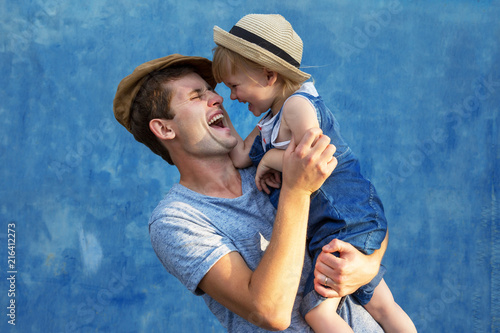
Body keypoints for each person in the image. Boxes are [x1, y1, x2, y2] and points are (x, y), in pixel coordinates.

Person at [113, 54, 387, 332]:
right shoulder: (176, 220)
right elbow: (270, 311)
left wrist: (369, 264)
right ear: (164, 128)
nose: (218, 99)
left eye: (213, 91)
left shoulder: (270, 159)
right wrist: (296, 188)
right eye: (197, 96)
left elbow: (358, 206)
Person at [212, 14, 416, 333]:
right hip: (333, 228)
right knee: (382, 305)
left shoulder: (297, 105)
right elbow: (239, 156)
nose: (233, 96)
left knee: (319, 314)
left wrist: (270, 160)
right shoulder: (267, 123)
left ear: (269, 76)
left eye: (234, 86)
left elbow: (315, 156)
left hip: (346, 220)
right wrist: (216, 112)